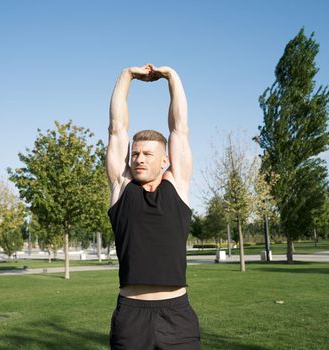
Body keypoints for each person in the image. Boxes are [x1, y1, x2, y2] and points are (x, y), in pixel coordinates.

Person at [107, 64, 200, 349]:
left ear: (165, 161)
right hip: (131, 317)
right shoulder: (122, 187)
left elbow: (179, 129)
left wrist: (172, 76)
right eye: (135, 154)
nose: (139, 159)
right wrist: (126, 76)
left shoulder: (178, 186)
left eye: (148, 154)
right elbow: (116, 130)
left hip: (177, 316)